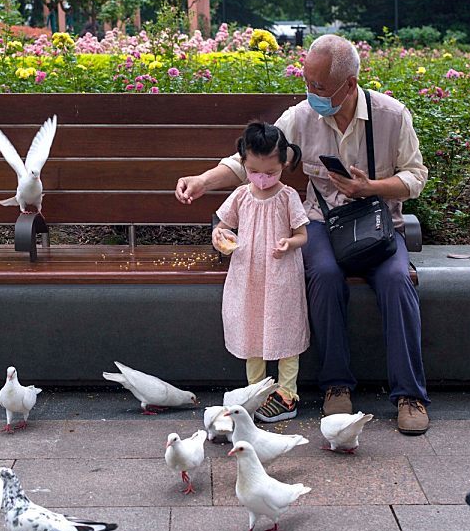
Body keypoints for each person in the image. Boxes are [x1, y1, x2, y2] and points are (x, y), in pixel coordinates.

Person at [176, 34, 431, 435]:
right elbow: (249, 163)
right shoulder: (301, 117)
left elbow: (416, 178)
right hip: (321, 225)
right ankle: (336, 387)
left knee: (399, 281)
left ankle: (410, 395)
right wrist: (204, 180)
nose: (310, 94)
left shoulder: (391, 115)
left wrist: (371, 189)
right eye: (307, 83)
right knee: (324, 276)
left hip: (378, 226)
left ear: (349, 85)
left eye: (319, 87)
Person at [213, 122, 309, 422]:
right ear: (244, 163)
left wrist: (288, 243)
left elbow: (302, 234)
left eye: (271, 173)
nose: (263, 179)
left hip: (281, 275)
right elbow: (223, 225)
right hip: (249, 274)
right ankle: (254, 390)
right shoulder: (242, 195)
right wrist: (220, 236)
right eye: (255, 172)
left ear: (284, 164)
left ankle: (287, 393)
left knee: (285, 329)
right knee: (252, 326)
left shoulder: (287, 196)